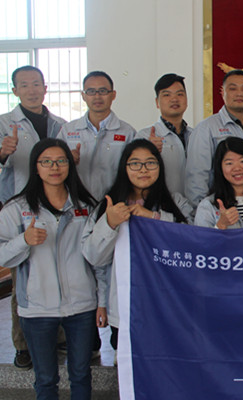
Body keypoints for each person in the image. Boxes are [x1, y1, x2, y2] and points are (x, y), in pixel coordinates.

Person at [0, 138, 98, 399]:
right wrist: (23, 240)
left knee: (81, 374)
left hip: (81, 305)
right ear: (36, 167)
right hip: (37, 308)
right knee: (45, 379)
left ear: (70, 165)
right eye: (46, 161)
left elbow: (98, 256)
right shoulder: (17, 209)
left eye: (61, 161)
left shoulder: (86, 206)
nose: (54, 167)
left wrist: (101, 301)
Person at [82, 139, 192, 355]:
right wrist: (110, 223)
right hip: (125, 306)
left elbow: (190, 244)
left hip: (167, 305)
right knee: (129, 366)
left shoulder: (176, 202)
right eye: (135, 164)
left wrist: (154, 218)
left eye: (150, 163)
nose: (143, 169)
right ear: (124, 167)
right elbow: (93, 257)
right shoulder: (110, 206)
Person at [0, 65, 67, 371]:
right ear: (15, 90)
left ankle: (60, 337)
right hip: (20, 209)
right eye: (24, 85)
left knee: (60, 272)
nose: (31, 89)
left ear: (45, 88)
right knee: (23, 279)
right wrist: (2, 153)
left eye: (36, 84)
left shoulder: (60, 125)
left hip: (56, 205)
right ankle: (23, 344)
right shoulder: (4, 124)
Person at [58, 70, 136, 200]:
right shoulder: (67, 130)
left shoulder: (127, 132)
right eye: (91, 91)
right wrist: (66, 160)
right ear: (83, 95)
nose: (97, 96)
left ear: (113, 95)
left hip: (115, 202)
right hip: (76, 202)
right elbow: (54, 166)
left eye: (103, 91)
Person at [185, 69, 243, 207]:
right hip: (219, 207)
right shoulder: (206, 128)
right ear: (222, 92)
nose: (239, 93)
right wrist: (202, 212)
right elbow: (197, 176)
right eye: (233, 88)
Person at [136, 73, 193, 195]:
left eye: (180, 94)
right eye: (167, 95)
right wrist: (148, 151)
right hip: (160, 204)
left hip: (195, 204)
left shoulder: (196, 135)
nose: (174, 99)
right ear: (157, 102)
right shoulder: (144, 136)